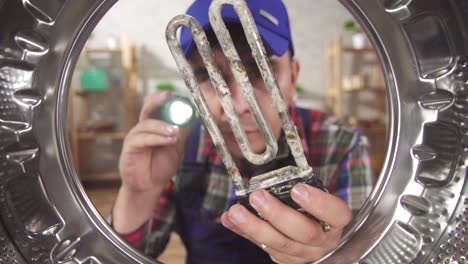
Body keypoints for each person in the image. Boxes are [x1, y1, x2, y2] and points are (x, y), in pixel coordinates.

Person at [111, 0, 374, 263]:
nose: (238, 105)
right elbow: (131, 255)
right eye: (207, 74)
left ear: (292, 78)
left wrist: (337, 254)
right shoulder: (178, 146)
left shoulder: (340, 144)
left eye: (260, 70)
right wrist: (139, 193)